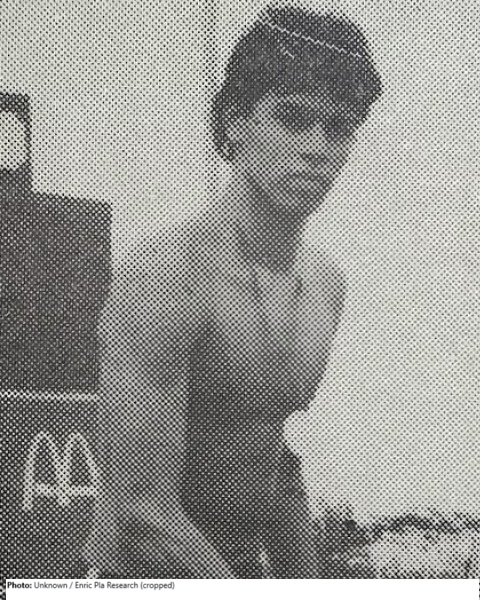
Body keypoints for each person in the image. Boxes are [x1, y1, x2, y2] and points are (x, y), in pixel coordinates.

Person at [83, 5, 382, 579]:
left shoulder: (325, 285)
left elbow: (271, 455)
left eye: (339, 128)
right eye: (293, 119)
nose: (317, 147)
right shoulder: (166, 276)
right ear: (233, 123)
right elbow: (140, 511)